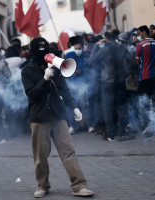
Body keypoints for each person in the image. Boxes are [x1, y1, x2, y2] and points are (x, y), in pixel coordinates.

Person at [21, 37, 94, 198]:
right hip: (39, 118)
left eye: (45, 48)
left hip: (58, 115)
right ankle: (42, 185)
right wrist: (45, 79)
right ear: (34, 51)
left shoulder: (54, 65)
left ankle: (79, 185)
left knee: (68, 151)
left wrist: (74, 107)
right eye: (39, 48)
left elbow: (64, 90)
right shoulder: (27, 71)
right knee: (41, 156)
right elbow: (32, 95)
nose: (43, 51)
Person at [136, 25, 155, 136]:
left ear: (144, 32)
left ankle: (149, 127)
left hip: (145, 77)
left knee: (145, 103)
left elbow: (137, 61)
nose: (138, 36)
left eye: (139, 33)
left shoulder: (140, 45)